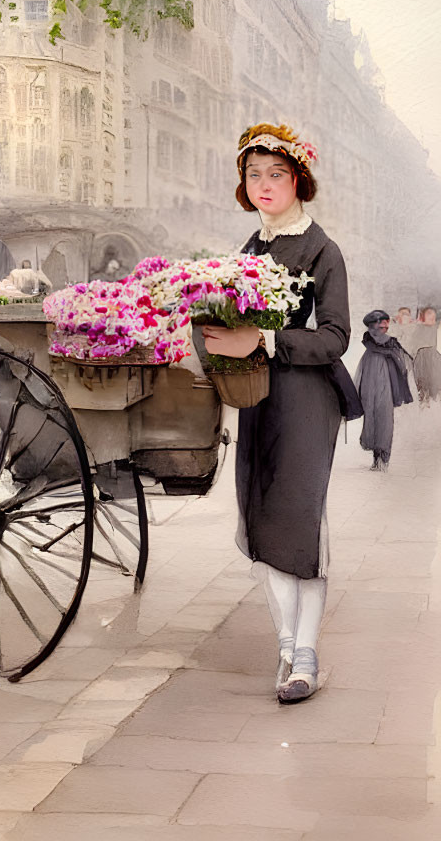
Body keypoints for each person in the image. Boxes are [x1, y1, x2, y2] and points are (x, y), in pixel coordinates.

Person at [201, 123, 356, 704]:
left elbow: (336, 337)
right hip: (259, 399)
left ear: (299, 181)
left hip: (308, 400)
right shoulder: (251, 250)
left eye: (277, 175)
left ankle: (307, 654)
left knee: (298, 522)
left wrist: (263, 341)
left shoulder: (322, 249)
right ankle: (287, 647)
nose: (264, 185)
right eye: (253, 175)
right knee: (261, 517)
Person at [355, 310, 414, 467]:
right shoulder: (370, 344)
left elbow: (404, 363)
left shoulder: (391, 343)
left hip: (386, 383)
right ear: (374, 324)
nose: (386, 325)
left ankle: (383, 458)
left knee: (384, 417)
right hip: (371, 381)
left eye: (387, 322)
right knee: (372, 415)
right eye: (382, 322)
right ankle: (377, 458)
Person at [409, 307, 441, 407]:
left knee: (436, 390)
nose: (432, 316)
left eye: (433, 314)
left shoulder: (437, 327)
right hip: (421, 359)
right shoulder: (417, 328)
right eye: (429, 314)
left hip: (434, 359)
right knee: (423, 390)